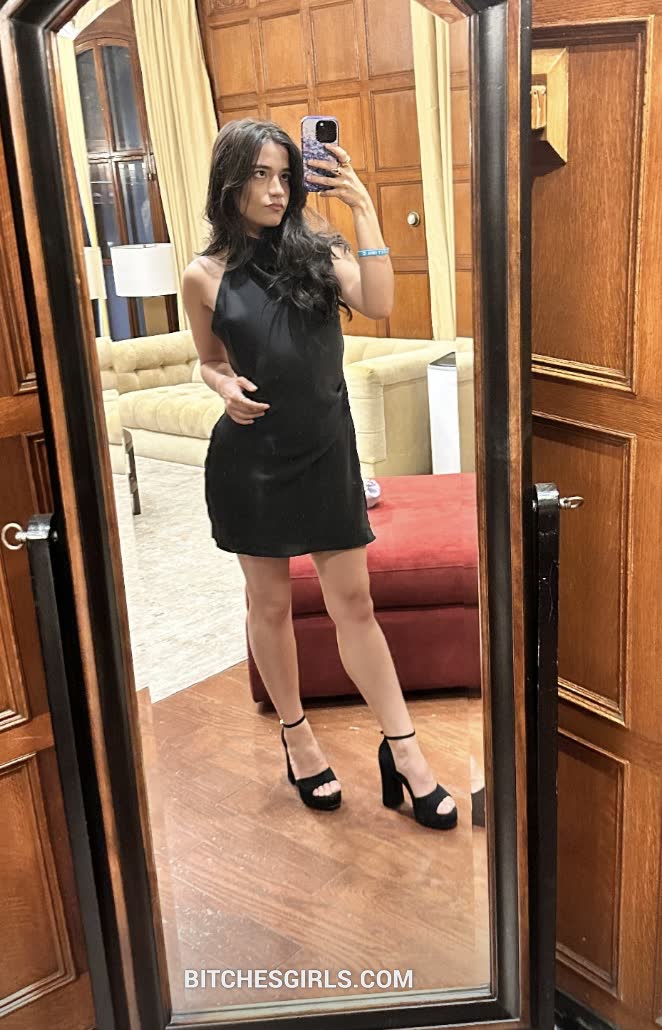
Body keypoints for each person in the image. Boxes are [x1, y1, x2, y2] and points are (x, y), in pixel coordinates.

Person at [182, 119, 457, 831]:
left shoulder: (321, 250)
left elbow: (380, 302)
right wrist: (222, 386)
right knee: (270, 607)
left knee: (354, 605)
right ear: (230, 182)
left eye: (285, 175)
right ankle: (298, 738)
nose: (276, 190)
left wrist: (362, 206)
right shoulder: (204, 275)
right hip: (251, 463)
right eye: (260, 176)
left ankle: (404, 751)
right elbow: (209, 360)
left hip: (328, 454)